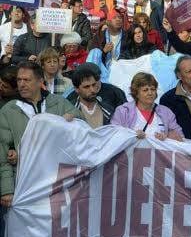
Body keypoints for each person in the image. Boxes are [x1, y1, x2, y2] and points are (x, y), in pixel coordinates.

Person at [0, 62, 83, 207]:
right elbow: (2, 153)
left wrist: (73, 118)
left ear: (40, 81)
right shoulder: (9, 110)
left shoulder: (58, 103)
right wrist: (7, 189)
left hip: (56, 184)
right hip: (23, 186)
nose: (22, 84)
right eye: (19, 80)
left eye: (27, 80)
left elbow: (82, 126)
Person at [111, 73, 185, 141]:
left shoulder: (166, 112)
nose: (150, 93)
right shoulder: (123, 111)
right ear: (136, 93)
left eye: (153, 89)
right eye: (145, 90)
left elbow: (180, 138)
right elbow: (113, 135)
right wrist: (131, 134)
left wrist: (167, 137)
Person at [67, 63, 123, 128]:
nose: (92, 90)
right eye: (86, 87)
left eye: (94, 85)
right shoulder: (69, 109)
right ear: (76, 89)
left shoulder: (109, 109)